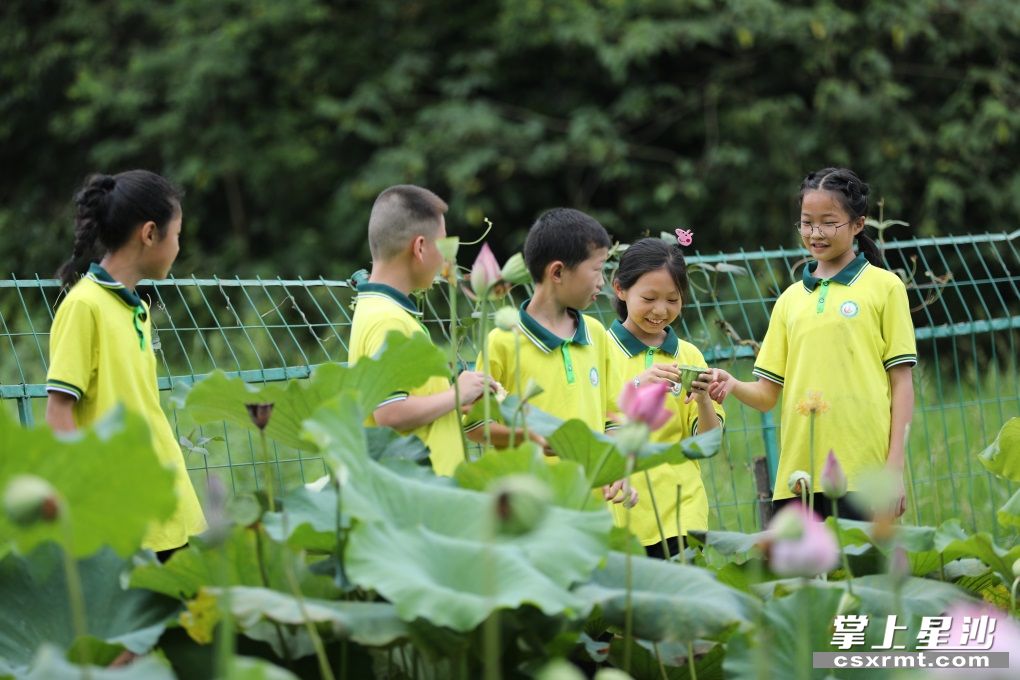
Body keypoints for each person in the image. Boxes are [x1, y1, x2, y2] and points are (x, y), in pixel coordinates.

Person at [708, 167, 916, 519]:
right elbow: (766, 395)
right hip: (797, 478)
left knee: (861, 575)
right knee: (798, 575)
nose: (815, 233)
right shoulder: (790, 300)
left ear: (858, 224)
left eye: (828, 222)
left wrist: (893, 470)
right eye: (807, 222)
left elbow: (902, 383)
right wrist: (732, 384)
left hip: (863, 475)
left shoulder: (885, 287)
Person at [46, 170, 206, 558]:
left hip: (168, 505)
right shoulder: (84, 306)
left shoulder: (137, 309)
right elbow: (58, 412)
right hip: (124, 523)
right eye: (178, 235)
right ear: (150, 233)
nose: (178, 247)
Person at [466, 207, 635, 506]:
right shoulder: (503, 342)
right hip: (527, 510)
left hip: (590, 506)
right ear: (557, 272)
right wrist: (530, 438)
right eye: (597, 270)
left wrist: (617, 466)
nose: (602, 282)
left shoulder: (596, 334)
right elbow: (477, 427)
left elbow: (614, 416)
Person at [348, 184, 490, 476]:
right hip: (415, 501)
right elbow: (389, 413)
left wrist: (454, 399)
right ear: (421, 247)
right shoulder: (387, 319)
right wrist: (456, 393)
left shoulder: (381, 309)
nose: (446, 260)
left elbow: (404, 401)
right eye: (442, 246)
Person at [606, 234, 724, 558]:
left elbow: (708, 444)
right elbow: (587, 424)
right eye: (649, 298)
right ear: (620, 289)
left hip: (683, 510)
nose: (661, 310)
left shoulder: (689, 356)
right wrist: (633, 388)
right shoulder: (598, 352)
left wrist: (702, 399)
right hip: (620, 510)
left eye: (673, 300)